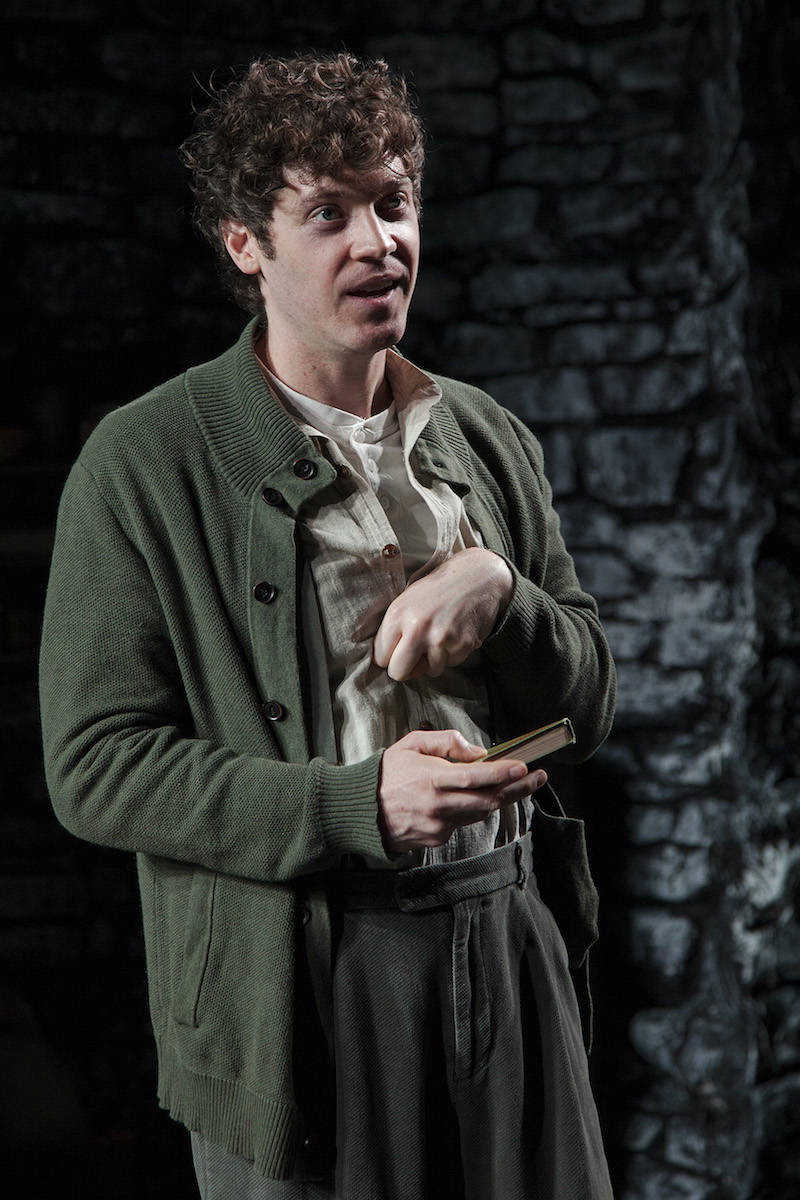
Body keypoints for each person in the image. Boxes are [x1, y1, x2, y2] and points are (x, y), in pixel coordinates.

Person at [39, 52, 617, 1200]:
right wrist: (357, 806)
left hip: (506, 930)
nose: (377, 241)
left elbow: (588, 707)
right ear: (244, 244)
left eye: (393, 203)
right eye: (328, 213)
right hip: (310, 967)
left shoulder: (484, 435)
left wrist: (501, 594)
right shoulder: (144, 461)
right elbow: (95, 768)